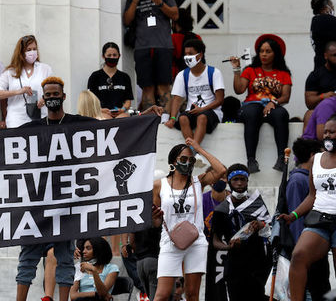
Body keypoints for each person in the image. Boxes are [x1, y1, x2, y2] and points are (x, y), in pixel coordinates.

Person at [15, 76, 163, 301]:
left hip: (66, 205)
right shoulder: (34, 128)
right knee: (27, 259)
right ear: (43, 99)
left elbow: (114, 130)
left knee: (65, 259)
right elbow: (0, 141)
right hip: (38, 205)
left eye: (56, 95)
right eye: (48, 95)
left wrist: (144, 116)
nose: (52, 98)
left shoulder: (77, 123)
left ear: (63, 97)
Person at [151, 139, 226, 301]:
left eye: (190, 160)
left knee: (192, 294)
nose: (187, 163)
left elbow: (221, 170)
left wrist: (199, 149)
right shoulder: (159, 185)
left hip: (196, 242)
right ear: (173, 161)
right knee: (162, 295)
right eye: (183, 159)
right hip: (169, 242)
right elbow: (156, 223)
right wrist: (155, 218)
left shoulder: (198, 182)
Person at [279, 115, 336, 301]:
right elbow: (312, 196)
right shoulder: (316, 160)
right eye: (325, 132)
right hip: (320, 217)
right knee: (299, 255)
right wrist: (293, 216)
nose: (327, 135)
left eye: (332, 132)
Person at [229, 34, 292, 173]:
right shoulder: (250, 70)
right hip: (251, 107)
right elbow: (239, 90)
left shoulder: (283, 74)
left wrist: (273, 102)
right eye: (261, 51)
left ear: (275, 54)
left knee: (281, 114)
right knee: (253, 112)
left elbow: (286, 97)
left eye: (268, 51)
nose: (264, 54)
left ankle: (282, 158)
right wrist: (236, 70)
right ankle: (251, 160)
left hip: (272, 107)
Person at [211, 164, 272, 301]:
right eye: (235, 179)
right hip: (235, 266)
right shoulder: (222, 209)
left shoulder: (257, 203)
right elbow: (215, 241)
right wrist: (228, 246)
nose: (239, 183)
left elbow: (269, 228)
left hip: (258, 264)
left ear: (247, 181)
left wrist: (261, 224)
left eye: (243, 179)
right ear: (229, 182)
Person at [123, 0, 179, 112]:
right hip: (142, 47)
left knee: (164, 86)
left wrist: (159, 2)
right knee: (147, 87)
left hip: (163, 46)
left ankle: (166, 120)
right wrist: (134, 2)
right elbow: (126, 21)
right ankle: (151, 120)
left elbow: (175, 15)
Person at [286, 138, 330, 300]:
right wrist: (303, 249)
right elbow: (297, 221)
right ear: (313, 155)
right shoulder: (298, 180)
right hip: (307, 248)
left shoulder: (316, 178)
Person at [165, 39, 225, 147]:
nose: (187, 57)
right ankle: (195, 153)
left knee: (201, 117)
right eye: (185, 54)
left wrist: (202, 109)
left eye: (191, 54)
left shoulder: (214, 72)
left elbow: (220, 100)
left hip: (212, 112)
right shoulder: (182, 75)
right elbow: (177, 99)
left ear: (200, 55)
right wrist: (173, 118)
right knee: (183, 118)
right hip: (192, 111)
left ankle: (193, 151)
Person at [0, 34, 52, 128]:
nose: (32, 52)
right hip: (17, 119)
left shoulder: (45, 68)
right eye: (28, 50)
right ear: (21, 52)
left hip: (41, 116)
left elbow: (53, 90)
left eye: (34, 49)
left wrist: (44, 99)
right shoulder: (10, 72)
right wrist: (18, 91)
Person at [87, 42, 133, 119]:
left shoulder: (125, 77)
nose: (112, 57)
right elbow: (90, 101)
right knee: (106, 120)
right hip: (101, 112)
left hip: (120, 113)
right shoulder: (95, 76)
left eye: (114, 55)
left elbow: (128, 101)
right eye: (109, 55)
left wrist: (122, 110)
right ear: (103, 56)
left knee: (124, 119)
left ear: (119, 56)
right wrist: (101, 110)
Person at [303, 41, 336, 140]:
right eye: (334, 55)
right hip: (323, 110)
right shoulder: (316, 75)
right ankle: (310, 148)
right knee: (309, 114)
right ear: (326, 56)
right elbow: (309, 102)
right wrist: (323, 97)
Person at [171, 8, 201, 81]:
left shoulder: (173, 38)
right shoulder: (197, 37)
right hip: (197, 73)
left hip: (179, 75)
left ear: (175, 22)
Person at [310, 0, 336, 69]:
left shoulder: (315, 20)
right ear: (326, 7)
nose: (333, 7)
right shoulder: (327, 19)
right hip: (330, 68)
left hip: (319, 65)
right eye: (331, 4)